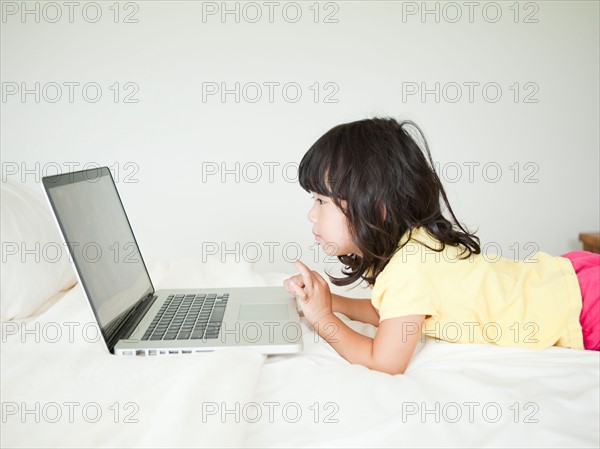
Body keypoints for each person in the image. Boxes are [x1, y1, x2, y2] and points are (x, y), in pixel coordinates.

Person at [283, 117, 600, 375]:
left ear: (376, 205)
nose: (312, 213)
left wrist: (324, 320)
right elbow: (394, 314)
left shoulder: (410, 267)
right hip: (569, 281)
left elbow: (385, 362)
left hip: (582, 308)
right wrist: (330, 302)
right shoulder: (411, 251)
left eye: (321, 200)